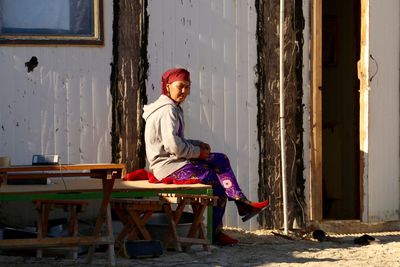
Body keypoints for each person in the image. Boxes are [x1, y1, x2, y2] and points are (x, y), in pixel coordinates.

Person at [142, 67, 269, 246]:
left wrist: (197, 145)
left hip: (176, 161)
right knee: (215, 183)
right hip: (168, 167)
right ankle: (215, 233)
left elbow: (176, 141)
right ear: (168, 86)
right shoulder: (167, 110)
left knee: (220, 159)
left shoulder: (173, 108)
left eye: (188, 86)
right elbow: (174, 147)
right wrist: (197, 153)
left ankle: (241, 202)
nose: (185, 91)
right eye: (181, 86)